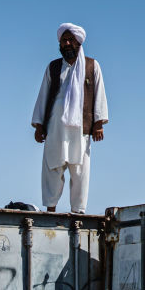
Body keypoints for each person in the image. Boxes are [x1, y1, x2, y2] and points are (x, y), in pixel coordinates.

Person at [31, 22, 109, 214]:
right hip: (55, 127)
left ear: (78, 42)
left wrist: (98, 123)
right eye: (63, 40)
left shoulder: (91, 66)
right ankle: (51, 210)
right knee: (52, 169)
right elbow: (43, 95)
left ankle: (78, 211)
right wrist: (39, 125)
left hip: (80, 129)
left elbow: (99, 94)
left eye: (70, 40)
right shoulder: (53, 67)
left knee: (80, 170)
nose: (66, 43)